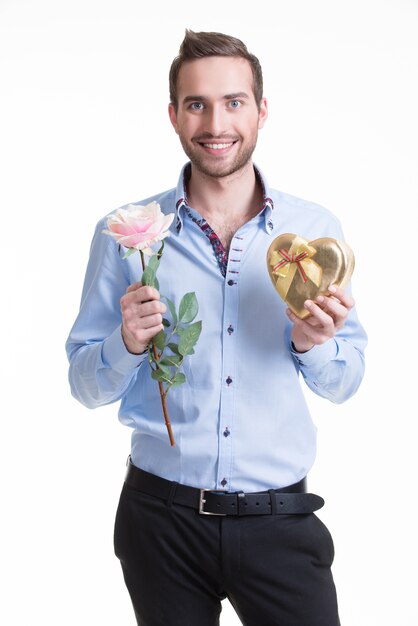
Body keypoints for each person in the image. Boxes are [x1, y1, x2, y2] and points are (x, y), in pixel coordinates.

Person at [66, 29, 367, 626]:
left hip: (281, 521)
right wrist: (126, 343)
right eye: (197, 104)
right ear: (174, 116)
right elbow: (85, 384)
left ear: (261, 110)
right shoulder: (129, 232)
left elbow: (346, 381)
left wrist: (315, 345)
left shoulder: (313, 232)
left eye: (233, 102)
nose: (215, 122)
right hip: (161, 522)